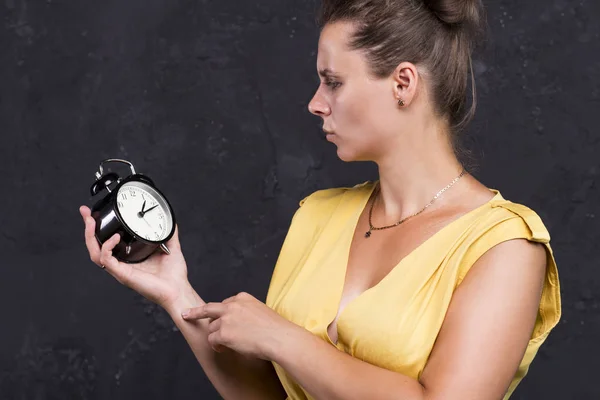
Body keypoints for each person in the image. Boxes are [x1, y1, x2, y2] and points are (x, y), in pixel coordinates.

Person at [79, 0, 562, 398]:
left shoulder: (504, 246)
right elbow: (269, 396)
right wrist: (176, 291)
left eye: (333, 81)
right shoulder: (317, 215)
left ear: (403, 84)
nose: (315, 102)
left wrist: (282, 337)